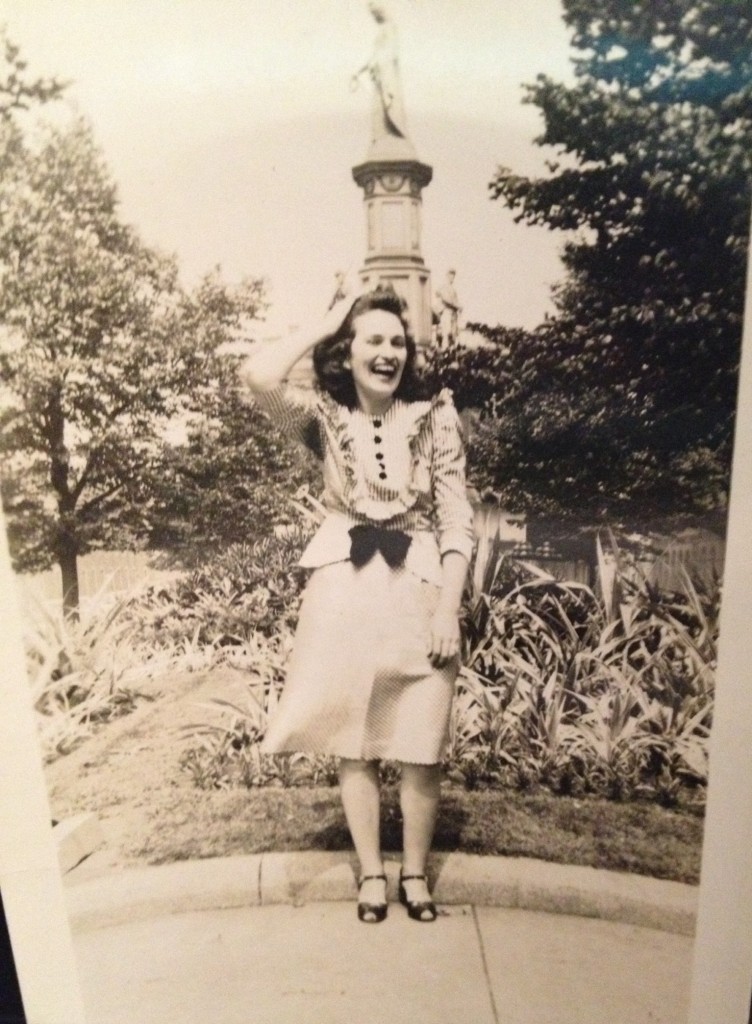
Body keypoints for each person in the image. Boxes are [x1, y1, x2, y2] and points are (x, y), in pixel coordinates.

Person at [239, 286, 474, 924]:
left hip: (420, 587)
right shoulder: (322, 418)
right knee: (355, 737)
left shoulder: (436, 416)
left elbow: (456, 521)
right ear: (349, 350)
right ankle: (373, 872)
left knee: (422, 742)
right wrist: (323, 320)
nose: (388, 352)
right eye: (372, 339)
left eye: (397, 341)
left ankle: (416, 874)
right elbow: (258, 376)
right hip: (343, 587)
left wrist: (448, 608)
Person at [350, 1, 410, 142]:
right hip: (379, 74)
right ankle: (383, 137)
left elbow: (390, 52)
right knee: (379, 111)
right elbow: (374, 55)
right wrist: (360, 70)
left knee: (390, 106)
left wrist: (378, 65)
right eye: (373, 15)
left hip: (387, 74)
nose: (375, 17)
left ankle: (395, 134)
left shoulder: (389, 28)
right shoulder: (383, 31)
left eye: (375, 13)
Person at [435, 269, 462, 345]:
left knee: (454, 333)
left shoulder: (453, 288)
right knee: (445, 333)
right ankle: (445, 348)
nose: (452, 277)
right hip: (446, 311)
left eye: (453, 276)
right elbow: (445, 299)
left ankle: (452, 349)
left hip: (453, 312)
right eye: (450, 275)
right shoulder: (444, 286)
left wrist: (459, 307)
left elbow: (455, 300)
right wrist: (457, 306)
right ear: (447, 276)